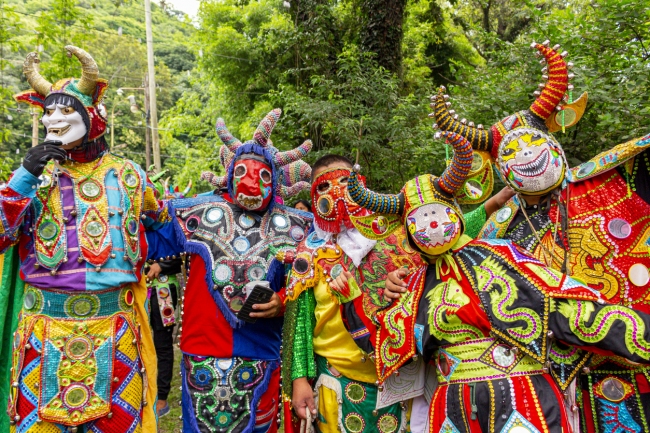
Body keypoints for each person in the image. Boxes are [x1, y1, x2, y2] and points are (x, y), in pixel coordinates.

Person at [346, 130, 650, 433]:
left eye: (438, 213)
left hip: (519, 393)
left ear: (457, 213)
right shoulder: (413, 285)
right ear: (408, 233)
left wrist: (638, 333)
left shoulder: (499, 252)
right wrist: (351, 302)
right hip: (451, 403)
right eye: (420, 219)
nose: (433, 224)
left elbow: (560, 309)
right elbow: (385, 346)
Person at [428, 40, 650, 433]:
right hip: (547, 384)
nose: (525, 154)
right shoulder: (494, 229)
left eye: (531, 142)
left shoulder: (616, 175)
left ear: (555, 134)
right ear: (497, 167)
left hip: (633, 360)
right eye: (510, 152)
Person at [3, 46, 158, 432]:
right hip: (42, 329)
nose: (54, 118)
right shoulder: (30, 180)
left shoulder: (130, 176)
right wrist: (24, 175)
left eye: (65, 110)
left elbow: (166, 223)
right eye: (48, 111)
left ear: (93, 117)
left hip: (116, 328)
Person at [145, 109, 313, 433]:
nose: (251, 182)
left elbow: (312, 285)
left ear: (275, 179)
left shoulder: (296, 227)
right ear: (231, 173)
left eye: (263, 175)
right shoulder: (197, 213)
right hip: (202, 348)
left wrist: (282, 299)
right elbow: (149, 241)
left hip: (261, 351)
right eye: (243, 171)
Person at [283, 154, 424, 433]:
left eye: (346, 182)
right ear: (314, 198)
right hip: (336, 382)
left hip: (398, 381)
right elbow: (300, 324)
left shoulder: (395, 239)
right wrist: (299, 379)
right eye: (323, 187)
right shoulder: (309, 253)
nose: (336, 192)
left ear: (362, 187)